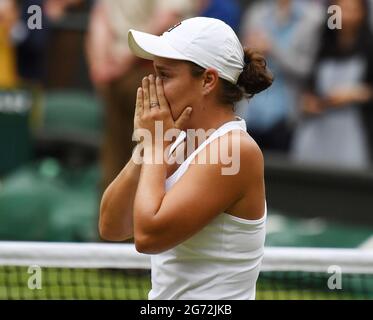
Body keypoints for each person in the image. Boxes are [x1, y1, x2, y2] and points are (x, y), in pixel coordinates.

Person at [99, 17, 273, 300]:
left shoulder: (234, 150)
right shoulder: (174, 140)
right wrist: (147, 148)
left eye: (164, 75)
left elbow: (147, 236)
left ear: (207, 80)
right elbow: (112, 226)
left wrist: (155, 147)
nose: (152, 86)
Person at [86, 0, 200, 191]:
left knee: (128, 159)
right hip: (144, 74)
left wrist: (102, 67)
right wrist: (110, 67)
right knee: (149, 159)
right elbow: (168, 18)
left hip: (123, 73)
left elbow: (100, 20)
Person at [291, 0, 373, 169]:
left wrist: (355, 94)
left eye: (352, 10)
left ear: (362, 13)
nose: (345, 15)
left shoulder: (368, 49)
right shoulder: (321, 44)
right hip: (318, 132)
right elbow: (307, 88)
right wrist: (309, 103)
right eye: (341, 9)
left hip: (353, 134)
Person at [240, 0, 323, 152]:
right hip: (250, 113)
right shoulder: (257, 13)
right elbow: (241, 58)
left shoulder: (313, 18)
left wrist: (273, 49)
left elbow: (307, 69)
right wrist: (251, 52)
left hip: (286, 117)